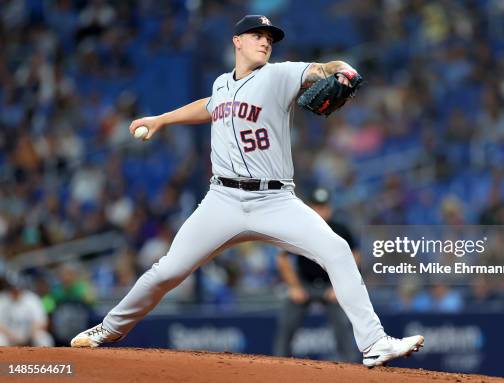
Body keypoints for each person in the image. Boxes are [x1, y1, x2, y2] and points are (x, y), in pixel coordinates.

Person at [70, 14, 424, 367]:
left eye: (270, 37)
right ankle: (109, 329)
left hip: (274, 200)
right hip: (222, 200)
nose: (266, 41)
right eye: (257, 35)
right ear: (237, 41)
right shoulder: (222, 84)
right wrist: (161, 119)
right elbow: (209, 107)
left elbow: (320, 69)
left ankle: (374, 342)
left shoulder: (279, 75)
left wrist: (342, 68)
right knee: (167, 271)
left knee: (337, 250)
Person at [274, 188, 359, 362]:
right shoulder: (299, 229)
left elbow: (356, 257)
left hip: (332, 285)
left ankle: (351, 366)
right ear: (309, 208)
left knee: (343, 323)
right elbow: (282, 259)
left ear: (330, 208)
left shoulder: (340, 229)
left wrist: (341, 286)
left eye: (324, 207)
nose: (321, 211)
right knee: (287, 322)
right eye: (317, 207)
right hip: (305, 283)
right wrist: (294, 286)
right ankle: (279, 363)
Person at [0, 272, 54, 347]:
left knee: (43, 338)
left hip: (30, 336)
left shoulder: (32, 299)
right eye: (12, 288)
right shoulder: (2, 299)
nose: (15, 290)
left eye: (17, 288)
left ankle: (45, 359)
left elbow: (42, 322)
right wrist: (13, 337)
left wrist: (30, 335)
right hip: (8, 337)